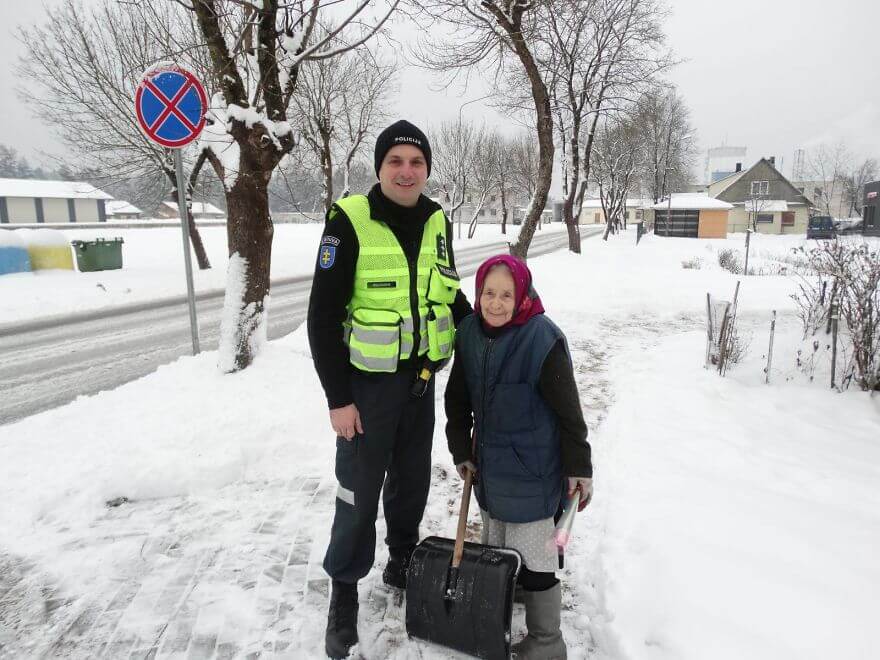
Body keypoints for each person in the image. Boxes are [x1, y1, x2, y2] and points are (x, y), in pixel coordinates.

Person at [307, 120, 472, 659]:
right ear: (379, 168)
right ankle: (344, 593)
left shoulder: (436, 220)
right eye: (396, 161)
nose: (406, 171)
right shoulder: (349, 221)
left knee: (411, 481)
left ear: (426, 170)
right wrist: (338, 399)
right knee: (358, 492)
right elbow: (322, 316)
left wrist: (497, 332)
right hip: (366, 390)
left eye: (416, 162)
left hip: (420, 383)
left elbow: (446, 295)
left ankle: (401, 559)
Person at [445, 255, 592, 660]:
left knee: (539, 560)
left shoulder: (542, 339)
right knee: (502, 552)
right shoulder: (470, 334)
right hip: (491, 475)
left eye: (506, 294)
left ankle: (547, 642)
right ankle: (508, 606)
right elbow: (456, 400)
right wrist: (461, 448)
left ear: (522, 295)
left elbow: (569, 412)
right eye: (488, 293)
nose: (496, 303)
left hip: (534, 475)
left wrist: (580, 467)